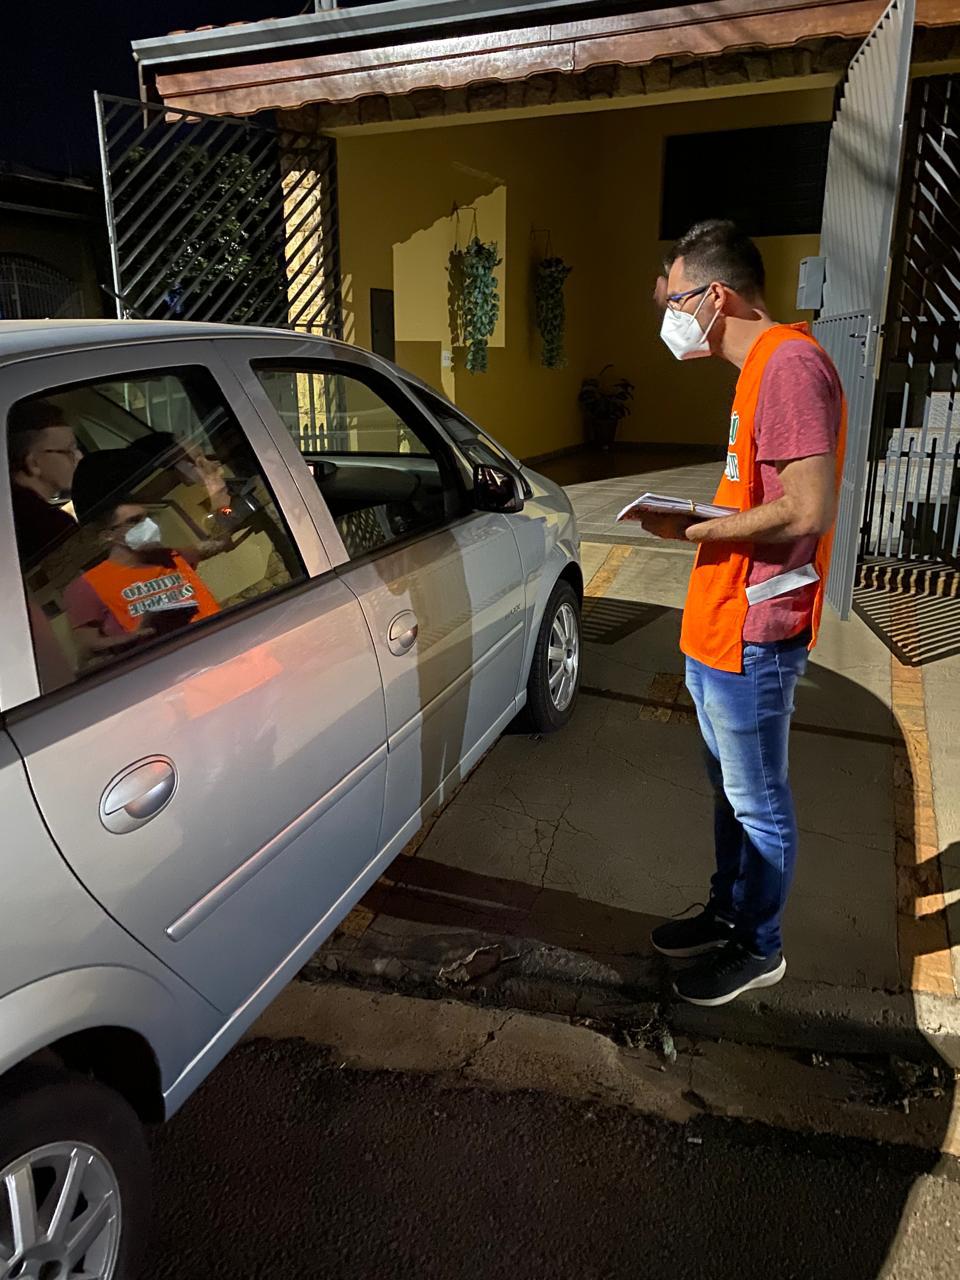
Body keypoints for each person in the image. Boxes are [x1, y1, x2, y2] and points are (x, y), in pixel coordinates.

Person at [644, 220, 845, 1007]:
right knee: (734, 795)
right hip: (721, 631)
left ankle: (759, 946)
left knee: (759, 802)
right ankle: (729, 913)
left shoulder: (789, 365)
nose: (668, 315)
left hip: (755, 636)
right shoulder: (761, 367)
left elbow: (806, 509)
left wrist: (695, 526)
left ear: (715, 296)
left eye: (675, 298)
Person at [64, 495, 224, 661]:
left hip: (224, 646)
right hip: (169, 667)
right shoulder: (86, 585)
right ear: (108, 535)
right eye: (135, 521)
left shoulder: (174, 555)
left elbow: (221, 541)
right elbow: (87, 650)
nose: (149, 525)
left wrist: (219, 497)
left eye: (149, 517)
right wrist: (137, 633)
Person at [8, 399, 82, 567]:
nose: (79, 457)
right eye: (68, 451)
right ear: (34, 463)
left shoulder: (13, 512)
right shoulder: (50, 527)